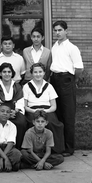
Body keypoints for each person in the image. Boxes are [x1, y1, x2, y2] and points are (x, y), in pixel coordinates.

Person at [50, 20, 84, 157]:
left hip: (66, 79)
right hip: (54, 80)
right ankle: (59, 145)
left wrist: (72, 80)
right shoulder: (55, 46)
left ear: (66, 31)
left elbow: (79, 68)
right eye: (55, 30)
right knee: (57, 114)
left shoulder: (72, 48)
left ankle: (69, 148)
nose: (57, 33)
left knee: (68, 114)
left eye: (60, 30)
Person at [23, 63, 65, 154]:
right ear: (31, 73)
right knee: (33, 123)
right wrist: (34, 111)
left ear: (44, 73)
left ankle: (53, 150)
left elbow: (54, 106)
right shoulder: (26, 86)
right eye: (35, 72)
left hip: (47, 110)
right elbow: (25, 106)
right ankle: (33, 150)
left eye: (40, 72)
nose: (38, 74)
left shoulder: (49, 86)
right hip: (32, 110)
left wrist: (45, 111)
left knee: (53, 124)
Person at [0, 63, 27, 149]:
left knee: (21, 123)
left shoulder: (17, 86)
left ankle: (18, 148)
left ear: (12, 73)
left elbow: (20, 101)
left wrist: (15, 111)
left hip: (14, 110)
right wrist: (5, 113)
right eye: (4, 72)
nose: (7, 74)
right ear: (0, 73)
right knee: (1, 123)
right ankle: (1, 148)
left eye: (9, 72)